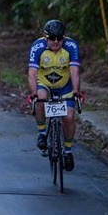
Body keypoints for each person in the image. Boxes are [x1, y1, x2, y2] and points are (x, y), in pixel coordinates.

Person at [28, 19, 82, 171]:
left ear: (64, 37)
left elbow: (74, 71)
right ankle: (42, 132)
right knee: (40, 98)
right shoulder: (37, 47)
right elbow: (32, 73)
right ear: (45, 38)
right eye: (52, 38)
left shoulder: (71, 46)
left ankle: (68, 151)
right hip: (44, 82)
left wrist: (76, 91)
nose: (56, 41)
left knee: (69, 117)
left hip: (65, 85)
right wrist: (33, 93)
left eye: (59, 38)